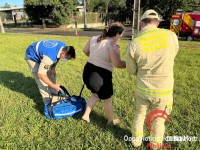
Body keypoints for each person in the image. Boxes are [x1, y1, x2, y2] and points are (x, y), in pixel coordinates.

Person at [126, 10, 179, 148]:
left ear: (142, 23)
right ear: (158, 23)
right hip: (164, 90)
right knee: (159, 119)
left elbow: (131, 70)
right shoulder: (171, 36)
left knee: (139, 114)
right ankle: (155, 144)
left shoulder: (134, 43)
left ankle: (136, 142)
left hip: (143, 89)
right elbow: (173, 54)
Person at [82, 22, 126, 125]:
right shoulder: (113, 45)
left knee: (95, 95)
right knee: (107, 99)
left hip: (87, 71)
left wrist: (95, 56)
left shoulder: (94, 38)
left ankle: (86, 115)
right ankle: (110, 121)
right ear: (117, 34)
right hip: (100, 76)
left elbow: (85, 51)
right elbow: (118, 64)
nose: (120, 37)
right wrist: (132, 64)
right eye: (121, 35)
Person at [25, 39, 76, 105]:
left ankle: (54, 95)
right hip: (32, 55)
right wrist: (53, 85)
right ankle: (48, 103)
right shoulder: (49, 57)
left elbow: (58, 57)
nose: (67, 60)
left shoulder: (64, 47)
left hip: (44, 54)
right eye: (67, 58)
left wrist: (53, 67)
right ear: (63, 53)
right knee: (42, 81)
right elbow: (40, 74)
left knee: (51, 74)